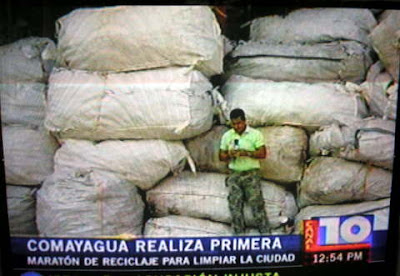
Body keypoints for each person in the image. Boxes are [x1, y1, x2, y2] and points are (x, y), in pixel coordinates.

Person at [219, 108, 270, 235]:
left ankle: (265, 235)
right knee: (235, 207)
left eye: (239, 123)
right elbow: (221, 156)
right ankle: (239, 237)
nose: (237, 126)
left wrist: (246, 153)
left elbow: (262, 153)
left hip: (251, 174)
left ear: (245, 121)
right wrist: (230, 154)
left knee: (257, 205)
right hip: (234, 174)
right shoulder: (227, 136)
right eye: (234, 124)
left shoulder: (255, 134)